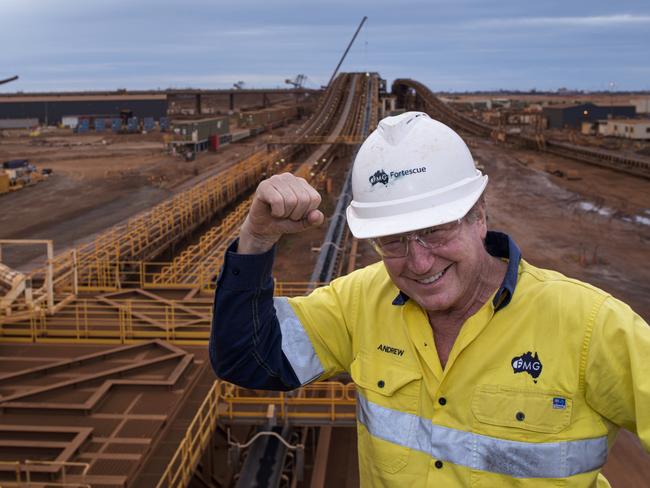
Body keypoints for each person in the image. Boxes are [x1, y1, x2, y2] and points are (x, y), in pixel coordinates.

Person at [210, 111, 649, 487]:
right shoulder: (361, 302)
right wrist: (257, 239)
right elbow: (247, 358)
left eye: (436, 230)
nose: (419, 263)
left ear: (479, 215)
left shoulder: (590, 325)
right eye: (393, 241)